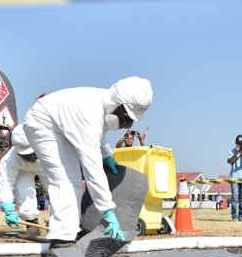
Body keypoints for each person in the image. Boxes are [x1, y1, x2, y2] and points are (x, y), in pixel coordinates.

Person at [23, 77, 153, 245]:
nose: (126, 122)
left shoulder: (106, 107)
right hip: (43, 123)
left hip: (60, 125)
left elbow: (99, 136)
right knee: (65, 178)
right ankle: (61, 239)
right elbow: (92, 167)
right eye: (126, 115)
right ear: (118, 103)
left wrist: (106, 156)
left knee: (72, 178)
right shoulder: (90, 112)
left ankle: (69, 230)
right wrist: (107, 211)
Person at [0, 126, 45, 239]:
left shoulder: (49, 146)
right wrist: (8, 208)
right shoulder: (9, 159)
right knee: (22, 189)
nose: (29, 158)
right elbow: (6, 184)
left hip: (47, 166)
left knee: (58, 191)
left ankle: (67, 225)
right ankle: (32, 226)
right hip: (24, 170)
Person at [226, 134, 242, 222]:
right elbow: (229, 161)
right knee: (235, 198)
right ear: (235, 143)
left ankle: (241, 216)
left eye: (241, 143)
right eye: (238, 143)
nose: (239, 145)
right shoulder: (231, 151)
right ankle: (234, 216)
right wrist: (236, 153)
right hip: (234, 178)